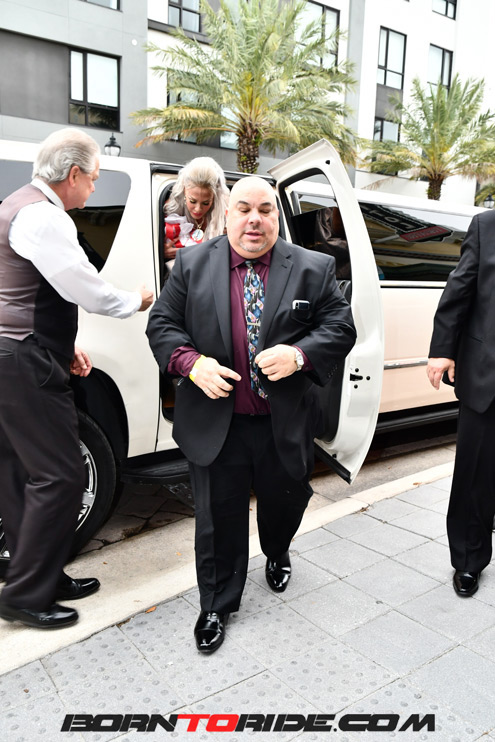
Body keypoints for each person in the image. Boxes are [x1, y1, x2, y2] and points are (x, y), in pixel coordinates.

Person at [147, 176, 356, 653]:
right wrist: (191, 363)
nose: (254, 219)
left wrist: (299, 355)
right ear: (227, 214)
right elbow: (162, 324)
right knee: (217, 519)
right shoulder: (193, 264)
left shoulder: (313, 266)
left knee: (286, 502)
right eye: (244, 209)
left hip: (284, 421)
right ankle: (216, 604)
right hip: (217, 422)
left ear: (277, 216)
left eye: (265, 209)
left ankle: (277, 550)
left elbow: (341, 326)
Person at [0, 128, 153, 629]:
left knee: (19, 472)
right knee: (61, 474)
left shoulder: (15, 206)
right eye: (93, 178)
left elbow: (18, 294)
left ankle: (36, 573)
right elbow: (87, 290)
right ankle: (25, 594)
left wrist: (65, 348)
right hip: (24, 363)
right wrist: (136, 300)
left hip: (13, 354)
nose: (93, 187)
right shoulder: (44, 217)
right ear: (72, 174)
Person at [427, 207, 495, 598]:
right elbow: (459, 289)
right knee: (475, 475)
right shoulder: (487, 226)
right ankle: (469, 559)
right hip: (487, 375)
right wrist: (442, 350)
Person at [163, 156, 229, 266]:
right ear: (185, 190)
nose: (198, 209)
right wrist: (162, 252)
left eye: (206, 203)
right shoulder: (169, 209)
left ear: (214, 197)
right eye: (193, 201)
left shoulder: (224, 217)